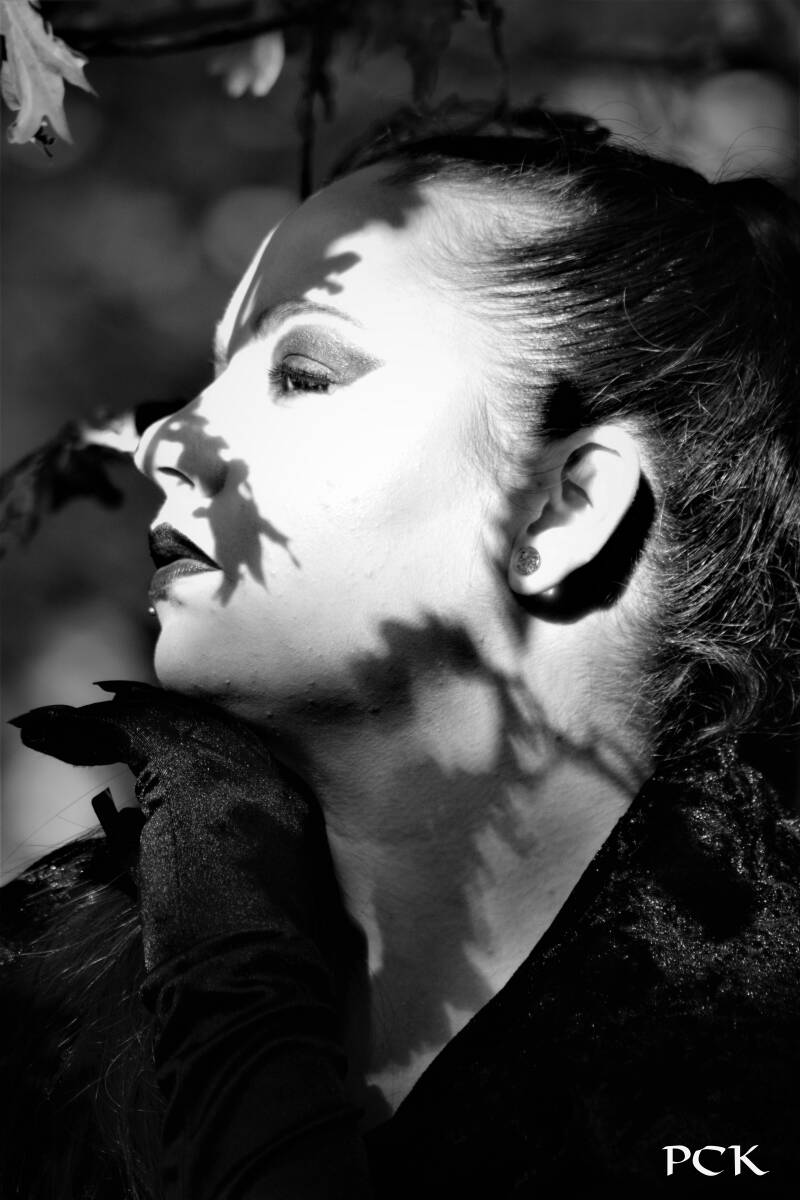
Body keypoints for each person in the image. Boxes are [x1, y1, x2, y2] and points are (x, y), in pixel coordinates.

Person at [3, 104, 800, 1198]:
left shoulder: (750, 1068)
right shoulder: (46, 1002)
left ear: (561, 509)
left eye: (303, 373)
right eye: (213, 376)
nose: (164, 441)